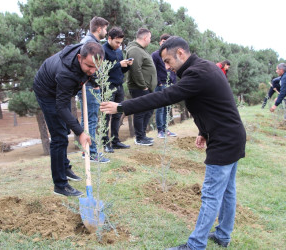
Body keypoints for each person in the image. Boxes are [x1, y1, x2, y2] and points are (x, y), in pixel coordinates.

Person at [100, 36, 246, 250]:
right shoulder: (204, 68)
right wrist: (204, 131)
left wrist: (122, 107)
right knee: (227, 191)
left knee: (211, 194)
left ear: (180, 53)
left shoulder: (197, 73)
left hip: (224, 140)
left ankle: (195, 245)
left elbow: (165, 97)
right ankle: (223, 235)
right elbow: (212, 104)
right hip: (231, 135)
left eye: (168, 61)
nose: (167, 67)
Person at [33, 42, 104, 197]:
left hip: (59, 88)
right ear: (79, 58)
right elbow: (61, 107)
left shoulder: (87, 55)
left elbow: (90, 71)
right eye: (89, 66)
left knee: (64, 128)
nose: (92, 71)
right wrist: (80, 132)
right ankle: (60, 185)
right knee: (59, 137)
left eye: (96, 67)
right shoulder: (66, 74)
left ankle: (64, 167)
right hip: (47, 92)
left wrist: (93, 80)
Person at [78, 16, 110, 163]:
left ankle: (87, 151)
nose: (106, 31)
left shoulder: (90, 41)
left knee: (88, 119)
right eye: (105, 29)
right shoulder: (90, 43)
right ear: (99, 28)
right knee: (90, 120)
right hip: (89, 86)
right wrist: (96, 83)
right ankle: (91, 153)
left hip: (89, 85)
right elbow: (89, 67)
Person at [102, 27, 133, 153]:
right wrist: (119, 64)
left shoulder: (119, 52)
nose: (119, 45)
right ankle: (105, 143)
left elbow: (120, 70)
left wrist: (127, 66)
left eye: (120, 43)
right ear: (109, 38)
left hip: (119, 87)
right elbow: (103, 69)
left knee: (118, 113)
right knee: (106, 116)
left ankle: (115, 141)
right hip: (108, 87)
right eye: (117, 42)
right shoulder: (103, 50)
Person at [126, 28, 157, 146]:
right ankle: (139, 138)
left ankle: (142, 135)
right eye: (149, 38)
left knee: (148, 111)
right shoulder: (135, 50)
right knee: (140, 112)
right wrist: (143, 86)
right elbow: (135, 69)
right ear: (145, 38)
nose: (150, 40)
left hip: (145, 88)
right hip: (139, 88)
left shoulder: (140, 50)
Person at [151, 33, 177, 139]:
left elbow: (174, 69)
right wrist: (158, 82)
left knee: (167, 108)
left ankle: (166, 129)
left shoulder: (172, 55)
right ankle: (160, 130)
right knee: (160, 108)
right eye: (163, 41)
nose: (165, 43)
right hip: (160, 85)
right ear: (160, 42)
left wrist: (174, 82)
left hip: (170, 85)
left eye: (167, 41)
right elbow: (153, 70)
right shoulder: (155, 55)